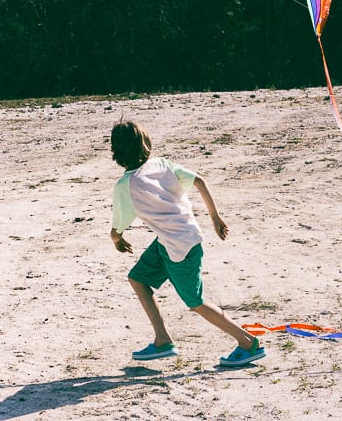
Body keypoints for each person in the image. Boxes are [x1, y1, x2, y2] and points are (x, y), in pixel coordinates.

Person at [108, 119, 266, 367]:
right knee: (137, 278)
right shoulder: (162, 165)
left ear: (116, 153)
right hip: (178, 238)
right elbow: (200, 181)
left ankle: (247, 342)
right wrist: (215, 218)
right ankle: (162, 340)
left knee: (195, 301)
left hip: (178, 248)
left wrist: (117, 240)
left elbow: (117, 228)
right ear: (146, 143)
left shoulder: (125, 186)